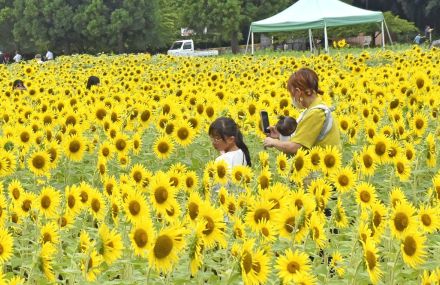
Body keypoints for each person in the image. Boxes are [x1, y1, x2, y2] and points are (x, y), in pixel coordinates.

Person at [263, 68, 340, 154]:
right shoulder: (314, 109)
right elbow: (301, 138)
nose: (292, 98)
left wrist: (274, 142)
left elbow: (295, 147)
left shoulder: (316, 113)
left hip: (321, 164)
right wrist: (280, 136)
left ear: (298, 92)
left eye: (292, 94)